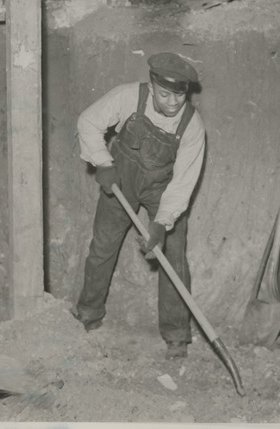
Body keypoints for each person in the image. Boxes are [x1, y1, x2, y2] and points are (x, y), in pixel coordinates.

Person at [72, 52, 205, 360]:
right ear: (152, 85)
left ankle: (176, 335)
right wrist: (103, 162)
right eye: (164, 95)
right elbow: (88, 121)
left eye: (179, 96)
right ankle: (88, 316)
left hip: (163, 187)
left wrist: (161, 223)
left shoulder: (192, 126)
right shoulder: (128, 96)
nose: (172, 103)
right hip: (121, 178)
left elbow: (183, 182)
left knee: (173, 256)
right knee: (102, 247)